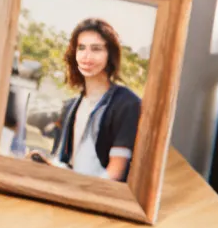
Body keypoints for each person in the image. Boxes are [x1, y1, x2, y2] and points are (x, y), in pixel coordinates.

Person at [27, 18, 140, 181]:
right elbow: (69, 164)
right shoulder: (72, 106)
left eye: (96, 49)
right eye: (81, 48)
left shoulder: (127, 103)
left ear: (110, 55)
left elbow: (116, 173)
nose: (87, 56)